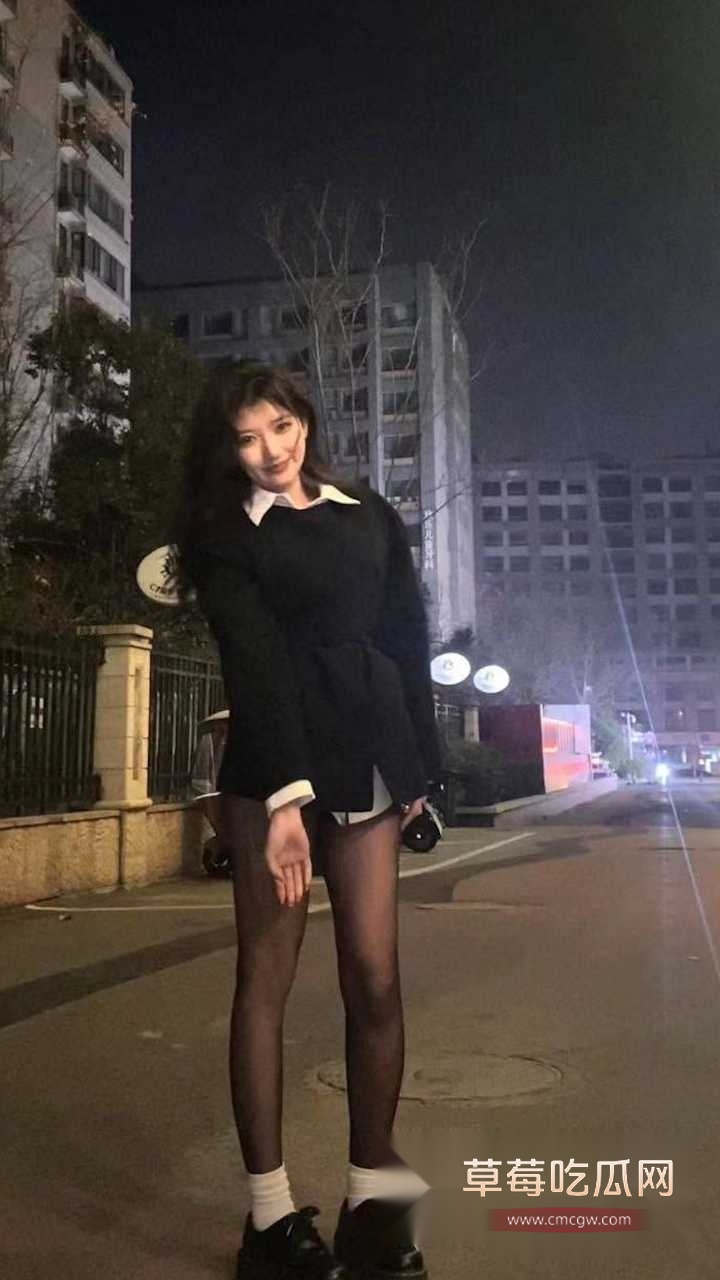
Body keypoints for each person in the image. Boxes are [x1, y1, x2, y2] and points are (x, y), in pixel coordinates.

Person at [172, 362, 442, 1280]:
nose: (269, 452)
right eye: (247, 438)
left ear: (305, 422)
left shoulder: (367, 514)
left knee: (376, 977)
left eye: (280, 427)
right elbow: (253, 663)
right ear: (227, 449)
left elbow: (406, 637)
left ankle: (373, 1204)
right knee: (266, 978)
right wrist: (285, 801)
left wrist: (420, 767)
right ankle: (271, 1220)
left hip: (367, 757)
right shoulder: (225, 536)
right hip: (272, 768)